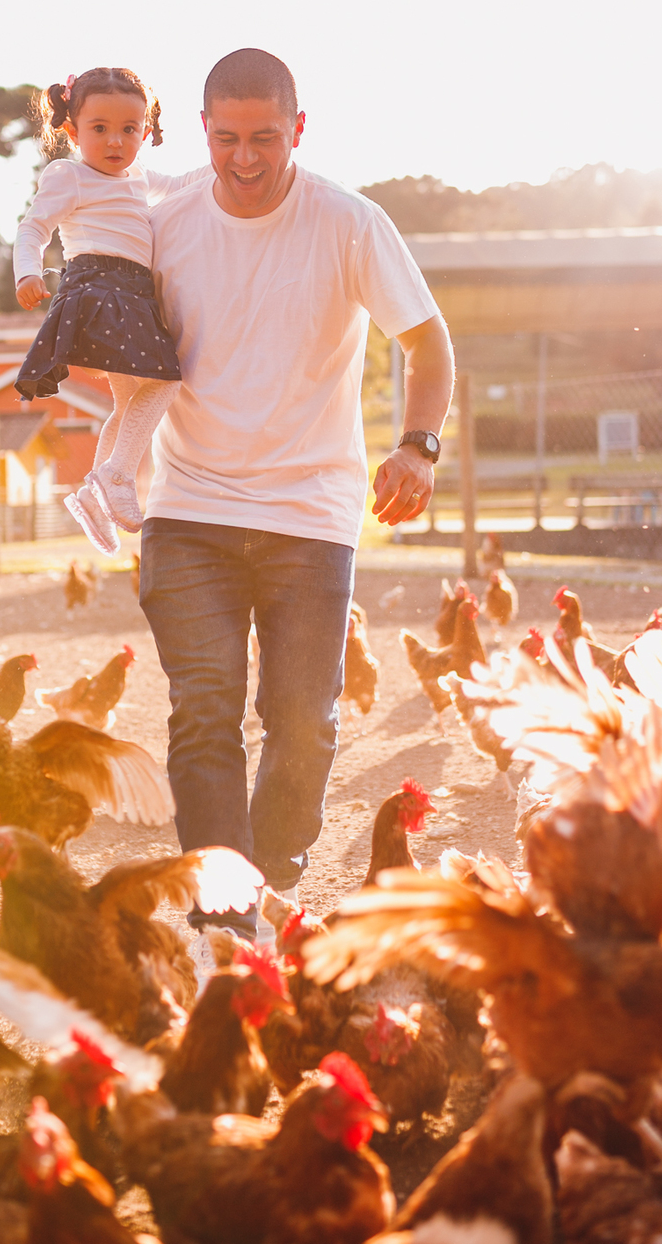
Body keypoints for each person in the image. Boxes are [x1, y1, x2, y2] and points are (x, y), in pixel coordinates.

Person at [140, 48, 454, 938]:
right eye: (227, 139)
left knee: (302, 723)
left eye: (265, 139)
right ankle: (223, 911)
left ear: (299, 129)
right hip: (189, 506)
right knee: (204, 714)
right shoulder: (163, 222)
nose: (245, 159)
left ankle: (271, 877)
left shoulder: (349, 224)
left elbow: (427, 342)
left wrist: (418, 447)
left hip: (309, 513)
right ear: (203, 130)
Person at [13, 67, 205, 555]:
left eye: (129, 129)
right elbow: (33, 228)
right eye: (99, 128)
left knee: (128, 402)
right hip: (99, 288)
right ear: (73, 131)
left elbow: (184, 183)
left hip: (134, 295)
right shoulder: (70, 175)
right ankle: (116, 475)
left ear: (145, 131)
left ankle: (96, 497)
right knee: (165, 382)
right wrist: (27, 273)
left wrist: (226, 159)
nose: (115, 141)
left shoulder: (139, 177)